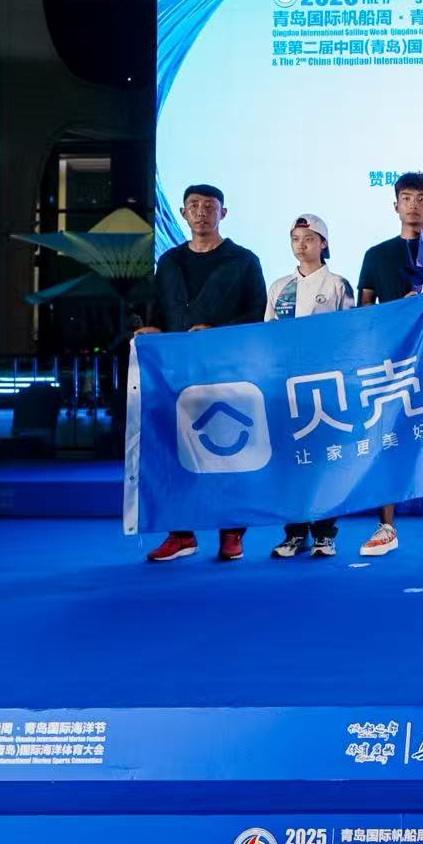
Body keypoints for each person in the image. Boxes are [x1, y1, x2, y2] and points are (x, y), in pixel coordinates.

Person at [139, 184, 267, 563]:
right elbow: (157, 309)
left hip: (227, 370)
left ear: (222, 213)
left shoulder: (244, 261)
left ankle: (231, 533)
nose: (201, 212)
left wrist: (218, 331)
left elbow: (256, 314)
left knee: (229, 451)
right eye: (193, 205)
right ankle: (181, 534)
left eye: (209, 206)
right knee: (176, 452)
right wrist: (150, 329)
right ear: (182, 213)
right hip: (176, 374)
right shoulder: (169, 261)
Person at [354, 172, 423, 557]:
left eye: (421, 199)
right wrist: (397, 311)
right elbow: (364, 312)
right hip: (392, 363)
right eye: (407, 198)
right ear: (396, 205)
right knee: (386, 439)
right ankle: (386, 527)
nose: (414, 205)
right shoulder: (377, 254)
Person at [265, 214, 354, 559]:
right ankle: (294, 533)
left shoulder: (338, 284)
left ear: (323, 243)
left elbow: (348, 334)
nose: (301, 245)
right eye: (296, 239)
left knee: (326, 460)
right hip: (287, 385)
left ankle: (325, 534)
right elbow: (269, 333)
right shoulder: (279, 287)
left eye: (309, 239)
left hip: (325, 386)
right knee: (292, 460)